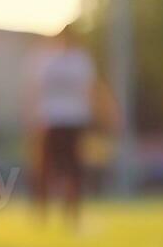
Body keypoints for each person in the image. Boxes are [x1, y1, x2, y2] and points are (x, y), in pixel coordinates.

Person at [23, 26, 116, 230]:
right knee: (45, 169)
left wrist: (104, 113)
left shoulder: (80, 60)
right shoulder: (46, 58)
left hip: (74, 120)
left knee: (73, 170)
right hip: (50, 120)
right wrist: (31, 117)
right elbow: (35, 90)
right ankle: (42, 214)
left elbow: (91, 89)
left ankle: (71, 215)